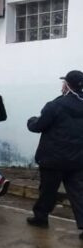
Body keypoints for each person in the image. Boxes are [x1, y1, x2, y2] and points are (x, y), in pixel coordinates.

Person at [26, 70, 83, 239]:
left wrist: (31, 120)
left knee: (48, 190)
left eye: (64, 83)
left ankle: (41, 218)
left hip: (53, 158)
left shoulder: (56, 105)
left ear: (68, 85)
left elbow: (39, 126)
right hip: (78, 159)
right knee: (78, 192)